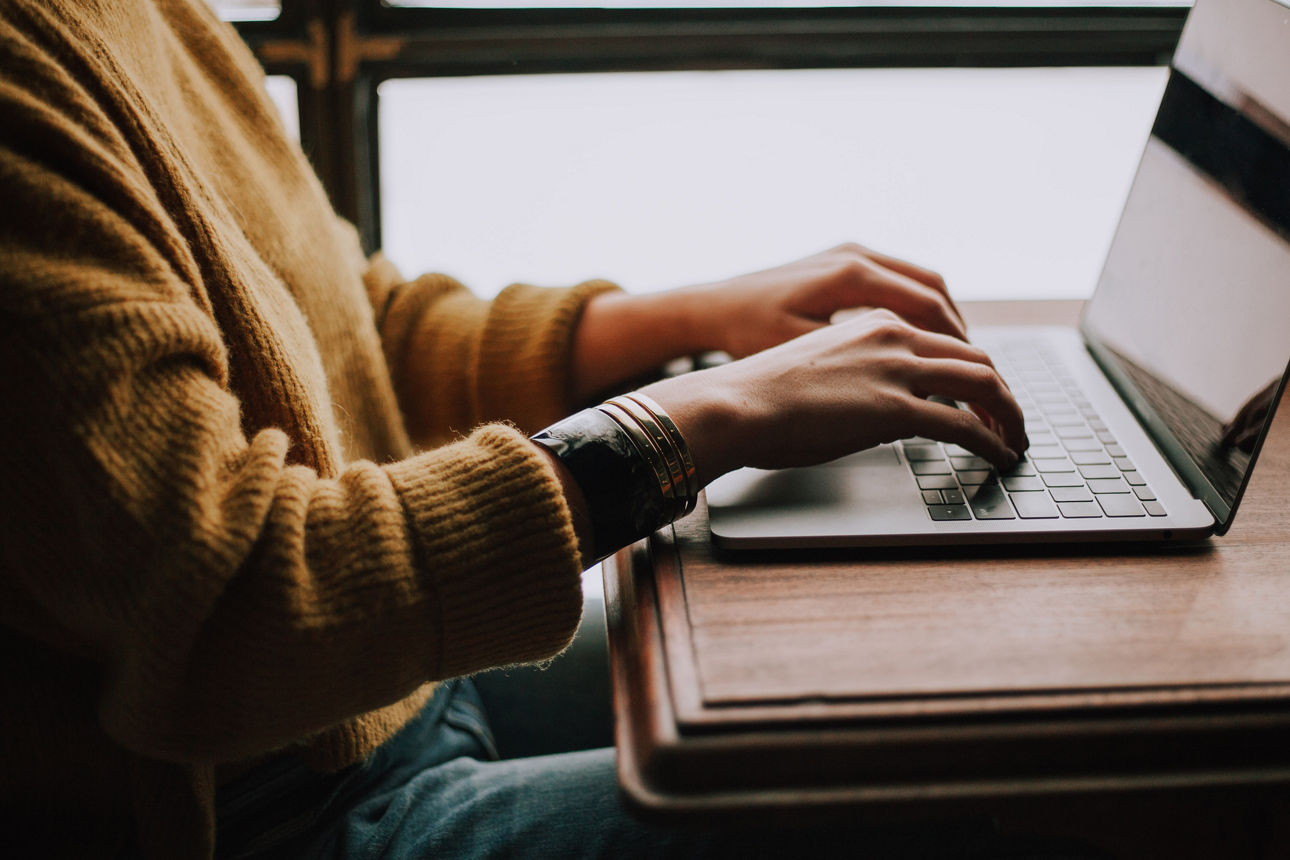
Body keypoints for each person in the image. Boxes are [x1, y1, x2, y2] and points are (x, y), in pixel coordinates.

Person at [0, 1, 1041, 857]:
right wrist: (690, 422)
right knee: (966, 803)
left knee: (920, 695)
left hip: (388, 692)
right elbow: (230, 608)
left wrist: (684, 319)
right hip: (266, 813)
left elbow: (349, 334)